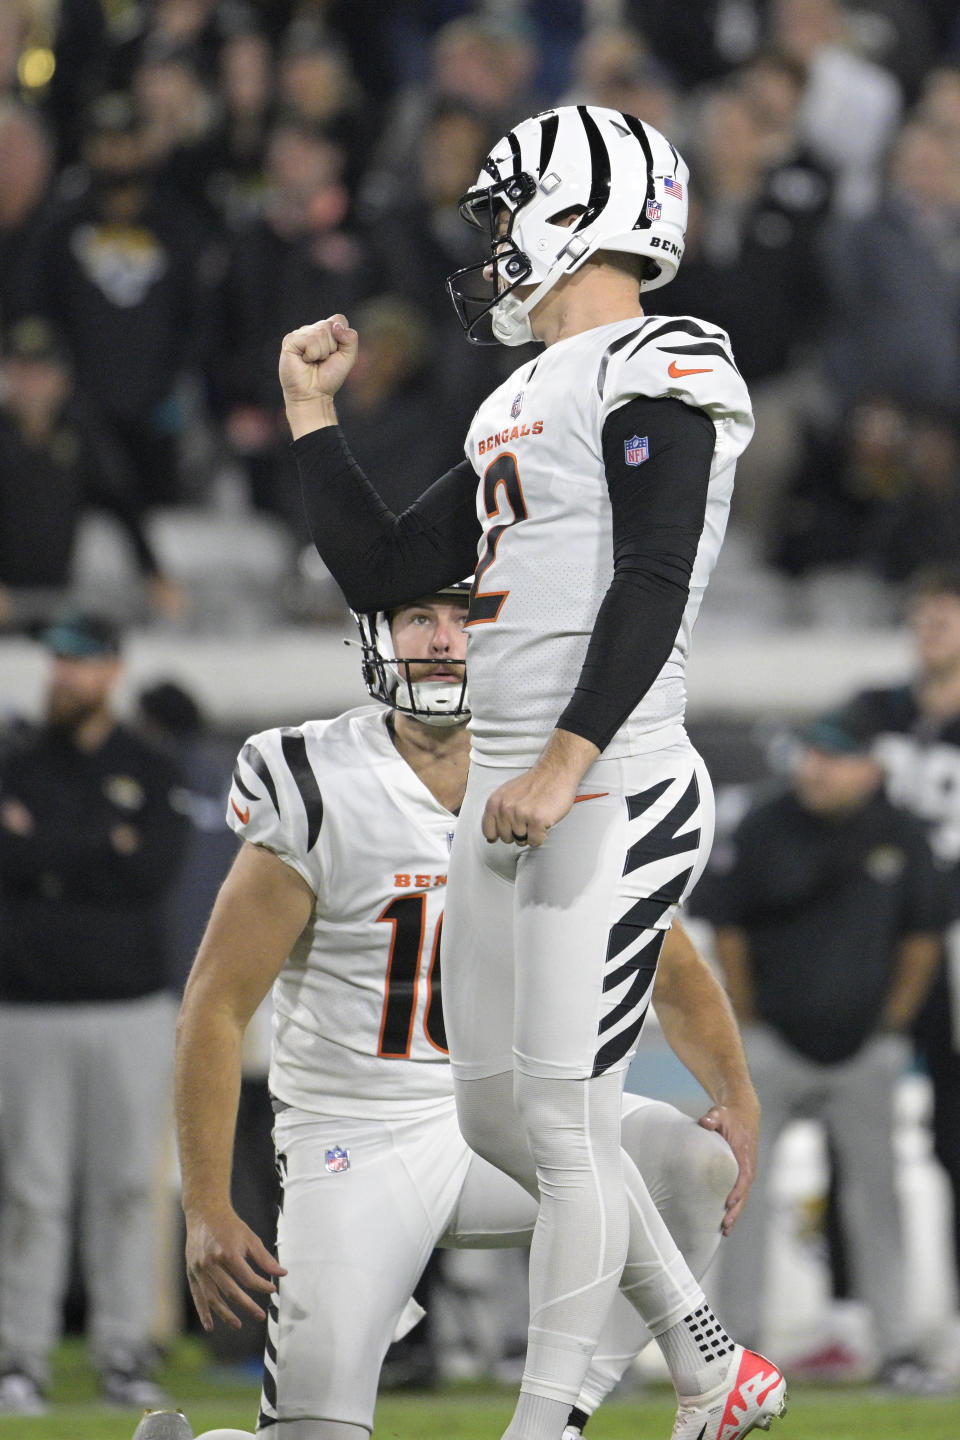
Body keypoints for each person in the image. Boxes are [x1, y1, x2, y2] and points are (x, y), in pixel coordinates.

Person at [277, 104, 786, 1440]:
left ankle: (545, 1421)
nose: (496, 245)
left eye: (508, 214)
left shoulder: (667, 357)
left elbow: (656, 576)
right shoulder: (520, 394)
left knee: (559, 1117)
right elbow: (389, 573)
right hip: (517, 787)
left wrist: (568, 760)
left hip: (608, 779)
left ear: (575, 207)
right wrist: (308, 415)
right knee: (500, 1113)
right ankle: (712, 1363)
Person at [175, 583, 761, 1439]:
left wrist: (736, 1094)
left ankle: (566, 1410)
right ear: (378, 636)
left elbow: (666, 963)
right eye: (421, 618)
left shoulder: (552, 773)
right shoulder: (315, 780)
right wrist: (204, 1204)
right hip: (356, 1139)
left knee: (695, 1166)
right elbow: (216, 1007)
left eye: (467, 618)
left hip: (506, 1123)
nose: (446, 642)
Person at [694, 710, 943, 1388]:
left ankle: (895, 1348)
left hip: (864, 1049)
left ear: (871, 767)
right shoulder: (764, 825)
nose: (815, 768)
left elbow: (922, 937)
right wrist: (749, 1025)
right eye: (810, 754)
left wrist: (890, 1026)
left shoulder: (901, 834)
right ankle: (730, 1350)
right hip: (771, 1046)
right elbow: (729, 928)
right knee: (739, 1194)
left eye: (833, 757)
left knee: (877, 1199)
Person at [0, 612, 190, 1415]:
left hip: (129, 1005)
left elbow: (152, 872)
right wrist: (96, 845)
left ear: (112, 668)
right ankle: (19, 1360)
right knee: (29, 1192)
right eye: (56, 663)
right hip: (27, 1004)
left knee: (125, 1188)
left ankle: (124, 1352)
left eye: (79, 663)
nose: (62, 677)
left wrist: (46, 851)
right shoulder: (15, 760)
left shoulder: (149, 763)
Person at [838, 563, 960, 1371]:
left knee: (953, 1136)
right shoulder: (871, 713)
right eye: (921, 621)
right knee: (849, 1123)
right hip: (878, 938)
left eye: (944, 621)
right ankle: (849, 1316)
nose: (930, 635)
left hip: (953, 943)